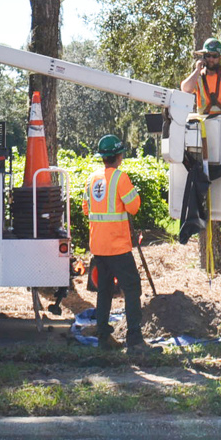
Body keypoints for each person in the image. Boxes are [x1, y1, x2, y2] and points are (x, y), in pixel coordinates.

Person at [84, 132, 146, 350]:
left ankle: (103, 337)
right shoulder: (121, 178)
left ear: (102, 157)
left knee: (105, 290)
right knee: (132, 288)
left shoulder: (91, 179)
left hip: (98, 247)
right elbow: (134, 206)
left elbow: (86, 209)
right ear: (119, 156)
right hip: (118, 247)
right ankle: (135, 339)